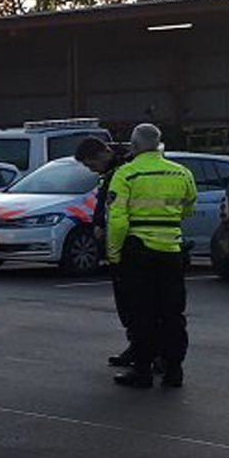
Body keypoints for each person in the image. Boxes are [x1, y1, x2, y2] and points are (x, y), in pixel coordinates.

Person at [105, 123, 196, 389]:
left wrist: (114, 254)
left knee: (142, 312)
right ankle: (174, 370)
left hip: (139, 249)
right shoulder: (182, 173)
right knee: (172, 312)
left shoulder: (127, 174)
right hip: (172, 249)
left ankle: (143, 371)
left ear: (134, 146)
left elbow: (118, 220)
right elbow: (190, 205)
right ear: (158, 144)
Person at [74, 136, 137, 367]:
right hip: (119, 242)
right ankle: (138, 346)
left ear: (101, 154)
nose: (92, 170)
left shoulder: (123, 170)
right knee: (127, 302)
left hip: (127, 245)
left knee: (135, 302)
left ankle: (144, 351)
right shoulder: (114, 171)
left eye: (91, 165)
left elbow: (118, 208)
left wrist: (106, 232)